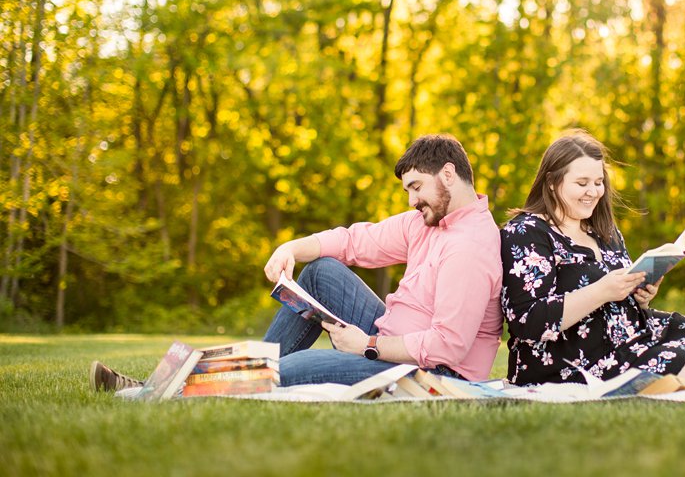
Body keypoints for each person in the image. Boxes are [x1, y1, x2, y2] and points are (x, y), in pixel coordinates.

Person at [90, 133, 503, 391]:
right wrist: (291, 248)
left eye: (416, 188)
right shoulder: (428, 221)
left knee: (290, 370)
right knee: (320, 270)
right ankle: (178, 380)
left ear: (448, 175)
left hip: (430, 374)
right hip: (389, 336)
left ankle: (158, 388)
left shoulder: (469, 247)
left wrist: (369, 347)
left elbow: (448, 346)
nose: (412, 202)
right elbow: (355, 241)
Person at [500, 130, 685, 388]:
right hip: (575, 356)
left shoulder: (604, 230)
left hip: (631, 331)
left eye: (598, 182)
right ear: (551, 181)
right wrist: (601, 291)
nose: (593, 192)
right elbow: (527, 321)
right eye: (582, 183)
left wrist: (641, 295)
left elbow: (620, 291)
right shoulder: (526, 232)